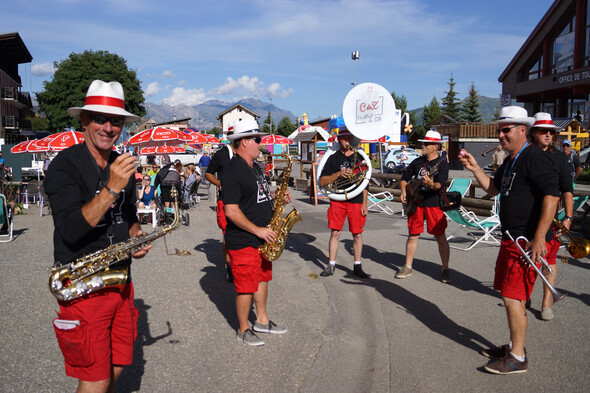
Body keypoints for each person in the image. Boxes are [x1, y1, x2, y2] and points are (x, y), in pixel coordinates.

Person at [44, 79, 151, 392]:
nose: (108, 127)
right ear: (84, 120)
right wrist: (112, 187)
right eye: (99, 119)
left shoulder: (121, 163)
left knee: (118, 365)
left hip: (120, 282)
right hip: (82, 285)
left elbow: (128, 216)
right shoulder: (64, 166)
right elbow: (71, 230)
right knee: (95, 378)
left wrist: (136, 236)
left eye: (115, 120)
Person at [458, 106, 559, 375]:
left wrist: (539, 236)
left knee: (514, 297)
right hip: (511, 239)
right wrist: (475, 167)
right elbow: (493, 189)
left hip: (525, 242)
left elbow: (552, 195)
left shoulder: (534, 157)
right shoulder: (512, 160)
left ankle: (517, 356)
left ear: (522, 130)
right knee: (509, 295)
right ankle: (515, 345)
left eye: (506, 130)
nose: (500, 135)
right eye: (499, 131)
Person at [221, 118, 288, 346]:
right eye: (257, 139)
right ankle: (243, 328)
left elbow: (257, 197)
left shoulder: (255, 167)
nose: (261, 144)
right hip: (244, 239)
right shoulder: (231, 171)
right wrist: (257, 230)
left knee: (262, 279)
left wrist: (277, 197)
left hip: (263, 237)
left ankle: (262, 320)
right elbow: (231, 211)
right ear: (244, 142)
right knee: (246, 285)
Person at [529, 112, 573, 321]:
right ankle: (522, 296)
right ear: (533, 133)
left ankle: (546, 302)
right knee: (526, 260)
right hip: (525, 219)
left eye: (551, 132)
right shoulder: (524, 155)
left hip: (550, 221)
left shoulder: (559, 158)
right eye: (543, 131)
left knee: (550, 261)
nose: (548, 135)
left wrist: (569, 217)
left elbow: (567, 190)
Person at [396, 130, 451, 283]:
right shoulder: (417, 162)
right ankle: (407, 267)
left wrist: (431, 184)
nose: (423, 145)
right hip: (416, 204)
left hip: (434, 205)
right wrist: (403, 192)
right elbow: (404, 179)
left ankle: (445, 269)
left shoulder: (443, 164)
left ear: (435, 146)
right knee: (413, 235)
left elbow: (440, 185)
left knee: (440, 237)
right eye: (423, 143)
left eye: (426, 144)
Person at [318, 125, 369, 279]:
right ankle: (331, 264)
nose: (347, 141)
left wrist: (365, 203)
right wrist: (339, 174)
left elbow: (365, 182)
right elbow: (322, 181)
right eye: (344, 138)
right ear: (339, 140)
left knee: (357, 234)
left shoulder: (359, 157)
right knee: (335, 232)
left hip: (356, 199)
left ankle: (357, 266)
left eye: (349, 138)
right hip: (338, 199)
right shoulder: (333, 158)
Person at [206, 131, 236, 283]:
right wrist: (219, 184)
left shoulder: (244, 153)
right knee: (228, 235)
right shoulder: (221, 154)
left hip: (242, 200)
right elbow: (208, 174)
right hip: (225, 201)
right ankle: (229, 266)